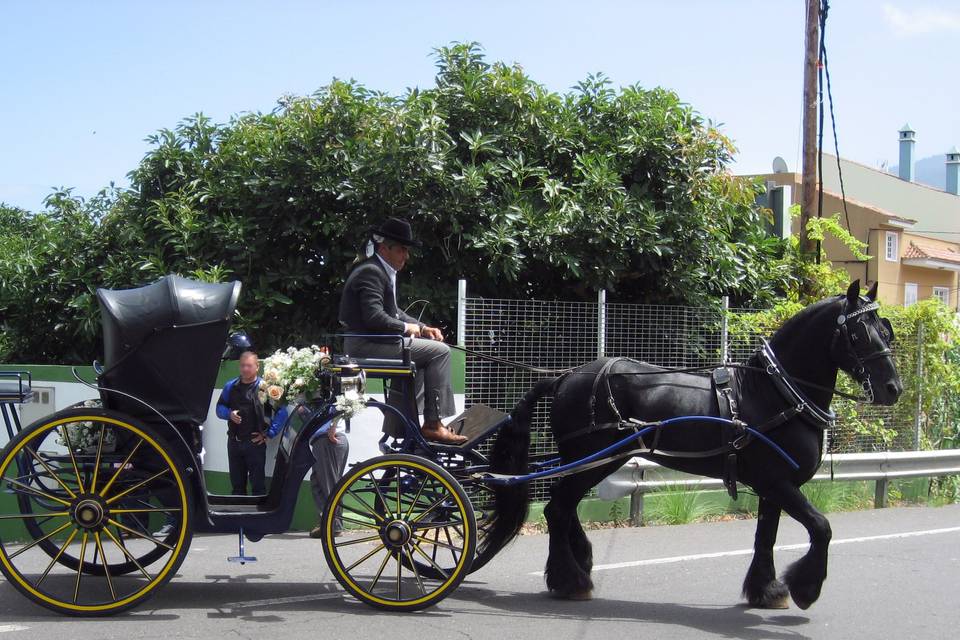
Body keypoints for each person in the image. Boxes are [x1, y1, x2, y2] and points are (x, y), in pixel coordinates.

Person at [338, 217, 466, 444]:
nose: (406, 256)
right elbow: (374, 318)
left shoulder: (378, 270)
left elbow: (393, 312)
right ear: (384, 248)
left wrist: (424, 328)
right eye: (402, 250)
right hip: (365, 346)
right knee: (440, 352)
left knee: (426, 355)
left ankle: (401, 426)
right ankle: (433, 424)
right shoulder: (372, 272)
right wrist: (408, 328)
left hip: (371, 342)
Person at [215, 351, 272, 495]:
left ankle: (258, 518)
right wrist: (229, 414)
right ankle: (237, 517)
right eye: (242, 366)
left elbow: (281, 412)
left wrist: (268, 434)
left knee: (258, 487)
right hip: (234, 442)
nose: (245, 369)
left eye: (249, 366)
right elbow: (219, 408)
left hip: (255, 444)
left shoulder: (264, 387)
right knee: (237, 487)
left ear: (257, 366)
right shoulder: (230, 386)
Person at [308, 416, 349, 538]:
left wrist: (333, 427)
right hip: (324, 439)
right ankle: (327, 522)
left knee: (328, 485)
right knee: (319, 483)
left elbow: (342, 405)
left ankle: (334, 525)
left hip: (328, 439)